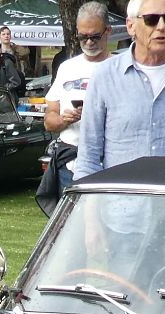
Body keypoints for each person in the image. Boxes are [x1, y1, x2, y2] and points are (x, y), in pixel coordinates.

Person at [73, 0, 165, 180]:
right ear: (131, 26)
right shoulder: (104, 76)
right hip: (120, 204)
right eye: (151, 19)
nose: (161, 26)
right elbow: (88, 156)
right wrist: (87, 204)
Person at [47, 2, 115, 180]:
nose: (89, 42)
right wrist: (63, 120)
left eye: (95, 36)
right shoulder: (67, 68)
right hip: (70, 161)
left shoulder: (120, 68)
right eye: (83, 37)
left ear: (108, 31)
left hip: (109, 162)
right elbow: (49, 119)